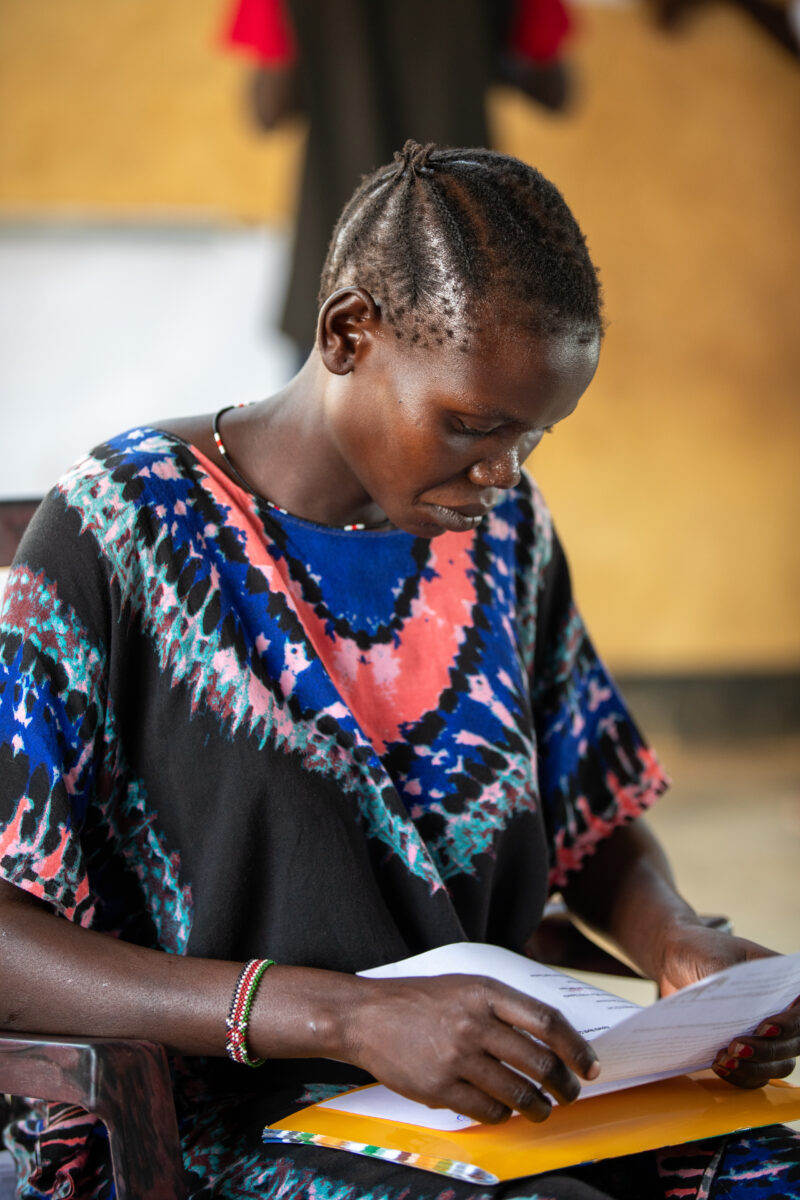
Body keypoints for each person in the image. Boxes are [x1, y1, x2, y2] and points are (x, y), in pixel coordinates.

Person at [1, 142, 798, 1199]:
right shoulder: (126, 527)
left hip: (502, 1091)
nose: (502, 471)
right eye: (470, 425)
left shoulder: (502, 531)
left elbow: (590, 821)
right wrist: (346, 1016)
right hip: (218, 1114)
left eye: (533, 435)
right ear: (346, 333)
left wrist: (677, 943)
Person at [223, 0, 574, 357]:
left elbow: (269, 109)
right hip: (459, 271)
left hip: (340, 272)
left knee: (323, 406)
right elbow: (553, 89)